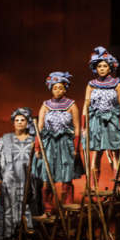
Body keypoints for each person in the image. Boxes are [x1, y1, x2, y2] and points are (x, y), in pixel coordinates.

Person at [33, 72, 82, 210]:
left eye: (60, 88)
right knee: (47, 174)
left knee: (67, 174)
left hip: (66, 143)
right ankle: (48, 207)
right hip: (49, 144)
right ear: (51, 89)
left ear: (65, 89)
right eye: (55, 88)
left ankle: (67, 206)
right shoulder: (45, 105)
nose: (58, 90)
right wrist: (37, 146)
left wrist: (76, 148)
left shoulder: (71, 105)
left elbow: (77, 128)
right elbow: (40, 127)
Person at [0, 108, 36, 240]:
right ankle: (9, 237)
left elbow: (40, 162)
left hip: (28, 181)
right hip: (9, 181)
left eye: (23, 120)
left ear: (27, 122)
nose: (19, 122)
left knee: (27, 208)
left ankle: (27, 237)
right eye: (17, 120)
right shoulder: (5, 141)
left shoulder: (34, 141)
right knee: (8, 208)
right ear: (13, 122)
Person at [83, 47, 120, 183]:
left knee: (116, 154)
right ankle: (94, 187)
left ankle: (117, 185)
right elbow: (86, 105)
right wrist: (84, 126)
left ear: (110, 67)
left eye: (105, 66)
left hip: (112, 121)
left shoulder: (116, 84)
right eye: (99, 66)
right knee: (96, 154)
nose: (102, 68)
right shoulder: (91, 85)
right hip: (96, 122)